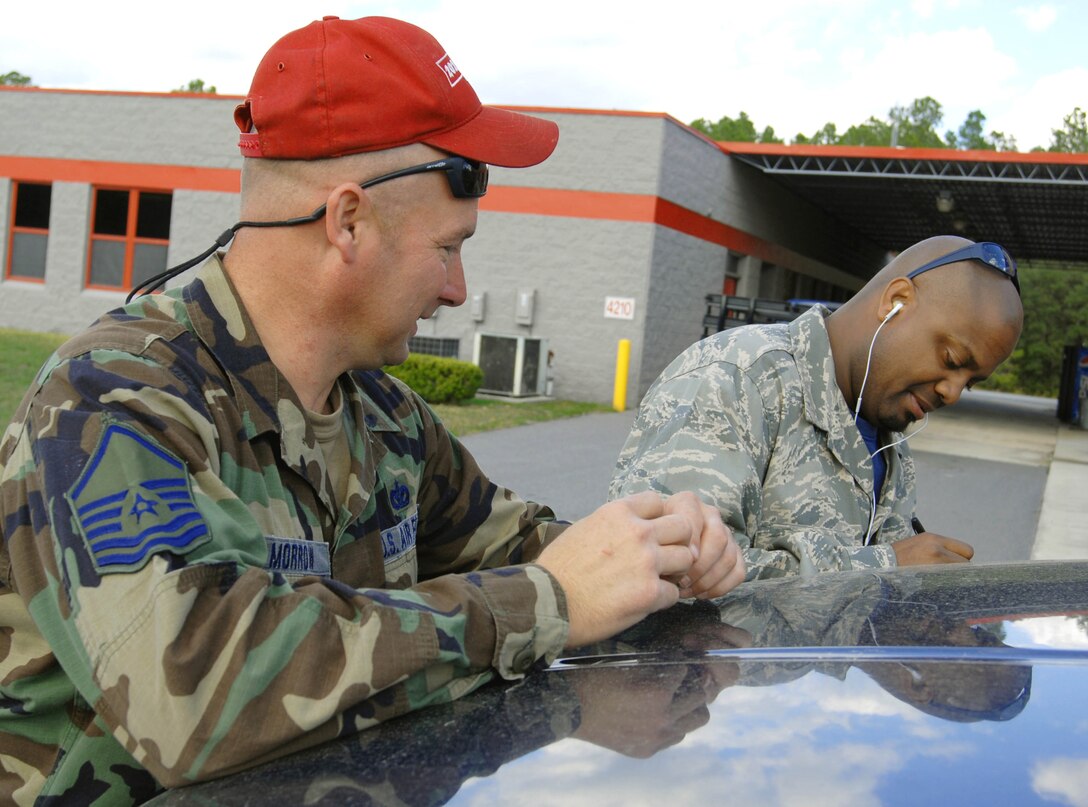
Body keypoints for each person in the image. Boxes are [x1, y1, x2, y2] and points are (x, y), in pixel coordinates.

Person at [0, 16, 744, 804]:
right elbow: (194, 693)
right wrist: (549, 603)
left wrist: (659, 553)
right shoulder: (110, 401)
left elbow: (525, 547)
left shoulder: (385, 416)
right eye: (449, 247)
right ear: (347, 222)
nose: (458, 288)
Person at [610, 235, 1023, 579]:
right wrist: (886, 567)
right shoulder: (737, 378)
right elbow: (664, 569)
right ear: (895, 301)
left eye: (969, 384)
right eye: (952, 360)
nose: (951, 392)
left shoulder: (887, 434)